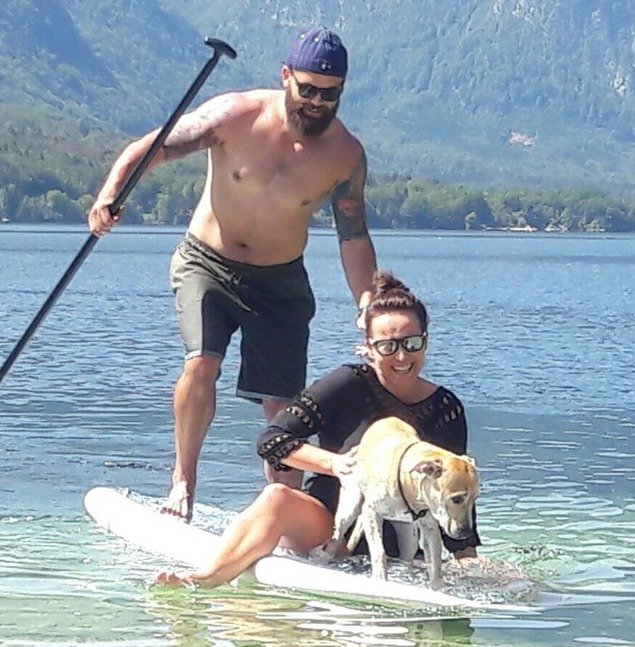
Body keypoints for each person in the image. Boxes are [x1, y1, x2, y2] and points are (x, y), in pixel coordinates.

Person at [87, 26, 377, 521]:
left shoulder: (345, 156)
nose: (315, 102)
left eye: (328, 94)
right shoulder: (236, 115)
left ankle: (282, 510)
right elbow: (153, 146)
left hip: (280, 281)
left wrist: (368, 304)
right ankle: (183, 482)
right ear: (285, 77)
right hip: (208, 263)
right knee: (202, 364)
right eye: (306, 89)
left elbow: (352, 235)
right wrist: (110, 194)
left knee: (282, 408)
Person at [155, 270, 481, 588]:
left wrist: (470, 560)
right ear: (368, 346)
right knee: (277, 497)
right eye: (387, 345)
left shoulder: (446, 409)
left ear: (425, 341)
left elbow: (458, 495)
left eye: (411, 343)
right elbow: (273, 440)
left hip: (409, 543)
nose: (401, 356)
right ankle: (207, 576)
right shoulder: (347, 384)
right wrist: (335, 464)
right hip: (328, 526)